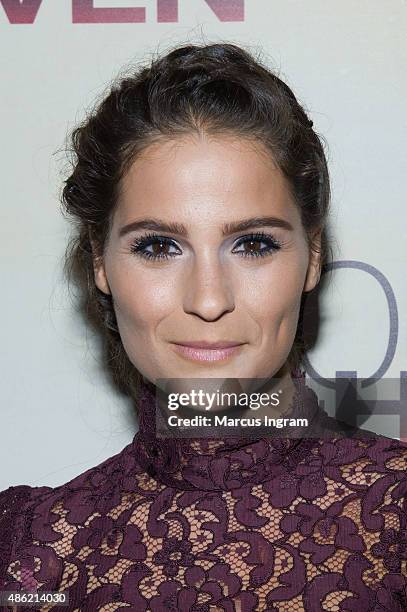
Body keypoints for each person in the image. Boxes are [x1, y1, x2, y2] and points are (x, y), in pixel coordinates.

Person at [1, 42, 406, 612]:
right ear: (100, 262)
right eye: (160, 246)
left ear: (312, 256)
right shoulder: (27, 551)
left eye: (253, 244)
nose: (209, 300)